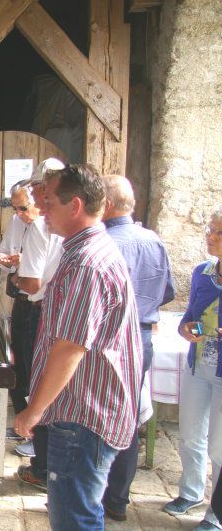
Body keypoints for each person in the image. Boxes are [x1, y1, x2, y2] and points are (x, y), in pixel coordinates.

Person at [14, 164, 142, 530]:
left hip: (84, 413)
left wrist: (33, 410)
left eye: (50, 201)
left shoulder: (87, 262)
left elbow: (71, 347)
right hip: (84, 409)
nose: (42, 209)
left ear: (75, 206)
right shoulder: (83, 251)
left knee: (74, 516)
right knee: (77, 511)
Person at [100, 174, 175, 521]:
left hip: (109, 337)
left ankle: (93, 493)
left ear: (108, 204)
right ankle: (117, 498)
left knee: (99, 411)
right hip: (142, 336)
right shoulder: (154, 240)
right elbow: (168, 292)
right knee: (128, 415)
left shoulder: (102, 242)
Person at [164, 207, 222, 530]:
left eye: (218, 232)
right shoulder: (203, 272)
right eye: (209, 230)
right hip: (199, 365)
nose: (210, 237)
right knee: (190, 433)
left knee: (220, 445)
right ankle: (191, 491)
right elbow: (189, 316)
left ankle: (217, 511)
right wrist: (186, 329)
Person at [10, 157, 66, 482]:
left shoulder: (40, 228)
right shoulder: (64, 229)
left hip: (37, 309)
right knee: (43, 382)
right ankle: (45, 461)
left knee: (35, 383)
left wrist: (16, 278)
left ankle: (41, 464)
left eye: (36, 189)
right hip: (53, 308)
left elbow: (31, 283)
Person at [0, 184, 46, 427]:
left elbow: (41, 274)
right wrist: (8, 262)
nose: (19, 214)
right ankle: (21, 418)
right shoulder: (17, 222)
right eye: (15, 209)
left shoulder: (46, 226)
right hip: (21, 299)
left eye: (23, 208)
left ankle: (33, 425)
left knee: (34, 363)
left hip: (39, 302)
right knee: (19, 361)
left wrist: (23, 265)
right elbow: (5, 255)